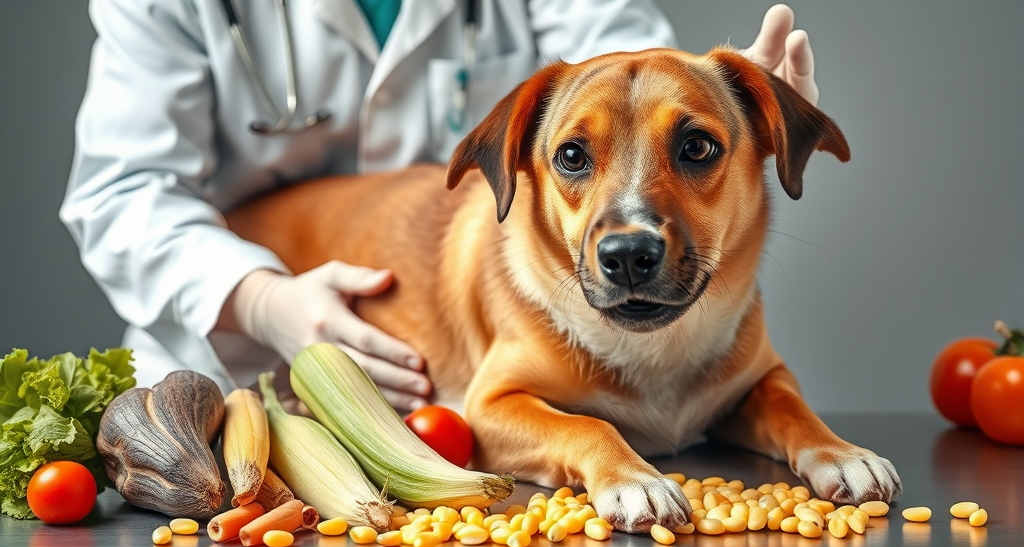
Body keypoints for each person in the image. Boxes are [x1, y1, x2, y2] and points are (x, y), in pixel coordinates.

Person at [61, 0, 820, 411]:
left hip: (447, 373)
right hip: (228, 356)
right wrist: (262, 304)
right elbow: (120, 190)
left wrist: (737, 105)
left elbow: (622, 75)